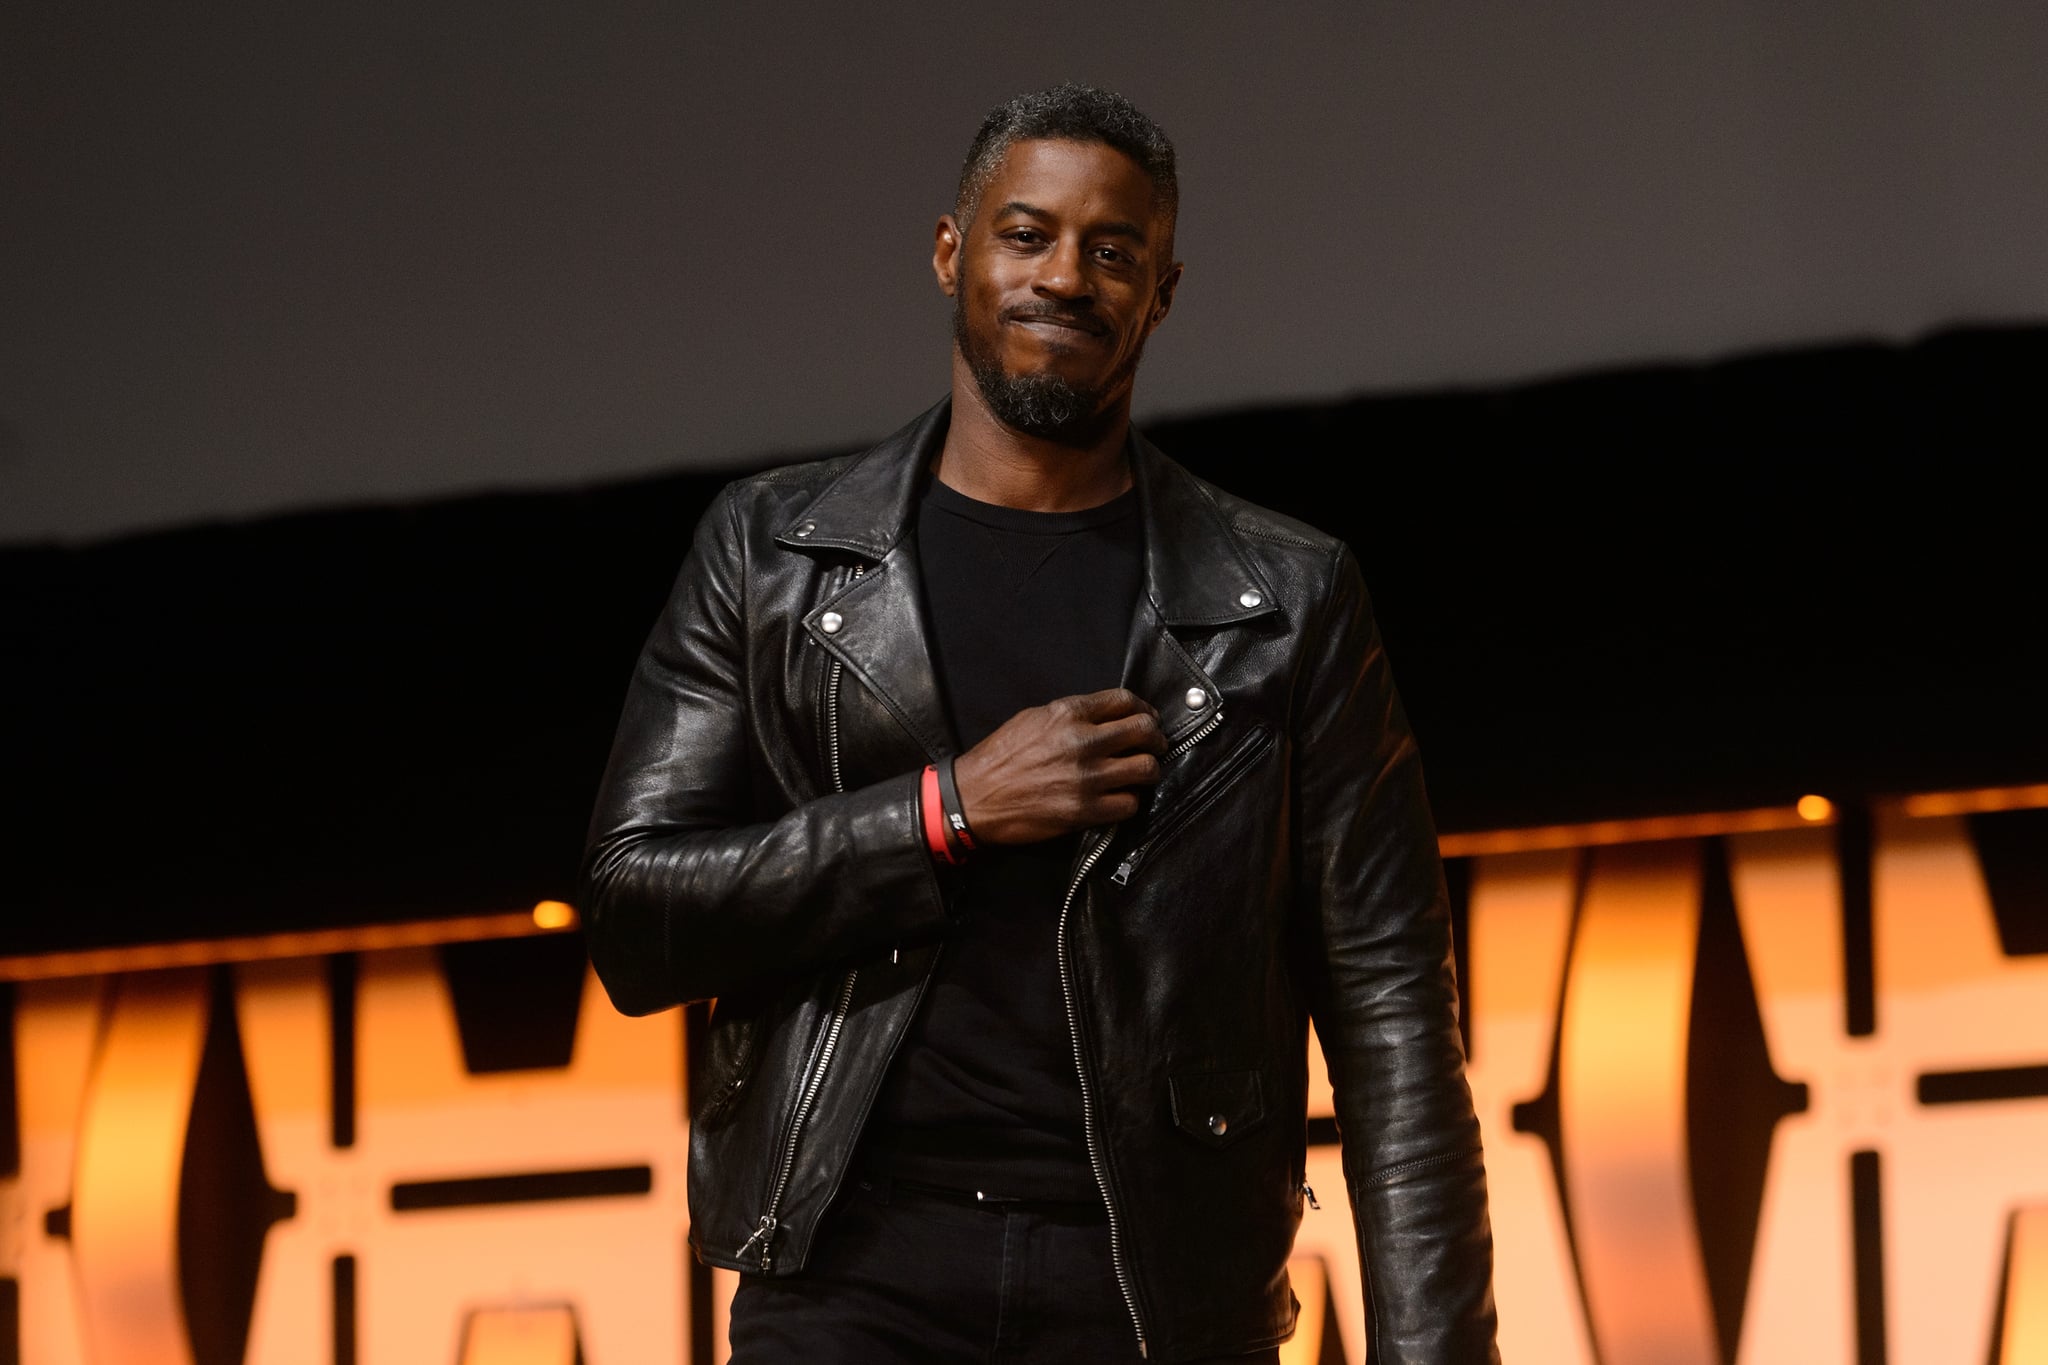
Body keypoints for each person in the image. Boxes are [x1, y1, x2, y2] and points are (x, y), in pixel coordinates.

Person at [582, 84, 1498, 1364]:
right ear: (951, 252)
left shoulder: (1286, 599)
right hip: (854, 1276)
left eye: (1110, 250)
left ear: (1161, 292)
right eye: (1026, 235)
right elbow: (636, 916)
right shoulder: (774, 553)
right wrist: (944, 813)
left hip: (1154, 1295)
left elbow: (1392, 1010)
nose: (1064, 276)